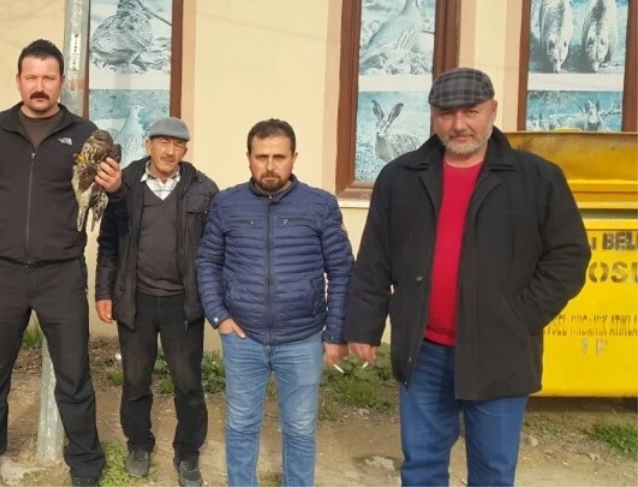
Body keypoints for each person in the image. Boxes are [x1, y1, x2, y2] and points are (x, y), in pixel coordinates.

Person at [346, 68, 590, 486]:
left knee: (493, 471)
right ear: (433, 116)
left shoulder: (536, 178)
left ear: (492, 110)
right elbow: (374, 258)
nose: (459, 125)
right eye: (446, 113)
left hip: (500, 351)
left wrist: (520, 318)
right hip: (423, 351)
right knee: (421, 466)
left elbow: (569, 256)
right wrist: (364, 327)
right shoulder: (401, 177)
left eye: (471, 112)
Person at [0, 39, 121, 487]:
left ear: (61, 83)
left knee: (73, 376)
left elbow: (104, 201)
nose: (39, 86)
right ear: (18, 81)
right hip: (5, 271)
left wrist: (116, 186)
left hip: (61, 272)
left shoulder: (85, 134)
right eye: (31, 77)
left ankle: (86, 465)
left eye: (49, 78)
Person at [196, 118, 354, 487]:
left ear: (294, 157)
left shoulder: (320, 205)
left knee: (299, 429)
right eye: (261, 156)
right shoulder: (227, 203)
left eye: (279, 157)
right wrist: (218, 315)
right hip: (243, 338)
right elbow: (207, 262)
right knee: (241, 424)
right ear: (248, 158)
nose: (270, 166)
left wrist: (335, 332)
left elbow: (343, 270)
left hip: (302, 339)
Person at [94, 117, 217, 487]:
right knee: (135, 380)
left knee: (188, 383)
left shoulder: (203, 189)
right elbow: (108, 244)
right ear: (148, 145)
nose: (169, 150)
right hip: (136, 301)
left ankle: (188, 452)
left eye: (177, 144)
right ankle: (138, 444)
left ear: (185, 150)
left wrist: (213, 297)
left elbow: (216, 249)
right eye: (162, 142)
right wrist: (104, 291)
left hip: (183, 304)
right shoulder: (124, 184)